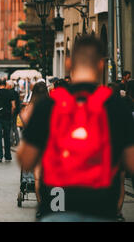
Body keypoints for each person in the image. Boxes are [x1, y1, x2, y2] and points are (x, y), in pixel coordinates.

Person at [17, 35, 134, 222]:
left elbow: (27, 160)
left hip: (57, 206)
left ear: (69, 63)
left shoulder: (49, 105)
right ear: (101, 65)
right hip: (102, 208)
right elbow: (131, 162)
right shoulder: (116, 106)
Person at [18, 81, 49, 218]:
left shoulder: (30, 107)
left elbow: (22, 122)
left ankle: (41, 205)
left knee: (37, 178)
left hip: (36, 147)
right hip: (52, 147)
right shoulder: (53, 105)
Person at [0, 78, 16, 163]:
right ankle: (8, 156)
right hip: (7, 117)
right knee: (7, 137)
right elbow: (13, 106)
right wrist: (10, 115)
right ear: (5, 84)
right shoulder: (10, 93)